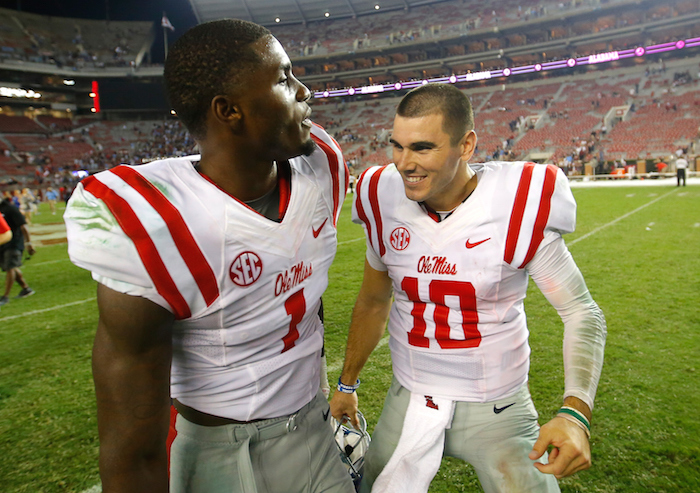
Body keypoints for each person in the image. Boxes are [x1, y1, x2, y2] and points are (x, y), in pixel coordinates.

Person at [64, 19, 354, 493]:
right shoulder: (158, 222)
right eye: (283, 78)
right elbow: (131, 447)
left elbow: (303, 285)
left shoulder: (321, 162)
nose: (304, 91)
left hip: (314, 430)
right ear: (229, 110)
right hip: (223, 453)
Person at [330, 83, 607, 493]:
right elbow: (373, 301)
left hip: (497, 405)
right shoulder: (379, 195)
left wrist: (575, 413)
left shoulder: (516, 203)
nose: (405, 163)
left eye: (423, 147)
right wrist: (346, 385)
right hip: (409, 396)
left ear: (467, 145)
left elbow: (582, 311)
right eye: (397, 146)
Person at [0, 197, 36, 306]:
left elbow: (23, 225)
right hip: (2, 243)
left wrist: (28, 243)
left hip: (14, 242)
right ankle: (26, 288)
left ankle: (5, 297)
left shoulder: (10, 208)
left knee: (10, 267)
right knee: (11, 267)